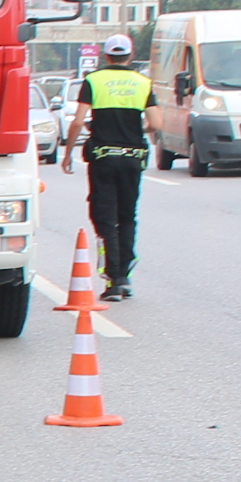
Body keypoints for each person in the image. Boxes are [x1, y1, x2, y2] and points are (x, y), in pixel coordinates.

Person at [68, 32, 152, 301]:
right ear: (130, 55)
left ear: (106, 56)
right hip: (132, 158)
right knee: (127, 216)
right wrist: (133, 129)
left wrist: (68, 152)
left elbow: (79, 120)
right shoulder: (143, 82)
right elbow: (157, 123)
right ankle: (125, 275)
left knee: (105, 218)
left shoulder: (93, 80)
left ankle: (113, 278)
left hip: (103, 159)